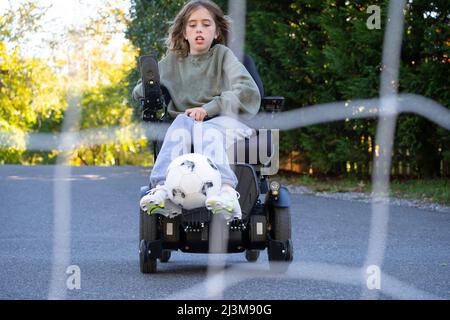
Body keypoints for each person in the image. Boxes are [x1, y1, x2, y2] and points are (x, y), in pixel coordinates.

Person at [133, 0, 261, 220]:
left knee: (204, 129)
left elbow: (247, 90)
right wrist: (151, 90)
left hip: (227, 122)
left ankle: (227, 192)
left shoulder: (222, 56)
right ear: (184, 32)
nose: (199, 29)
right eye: (192, 25)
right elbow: (139, 89)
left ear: (217, 32)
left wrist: (208, 108)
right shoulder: (173, 61)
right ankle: (163, 190)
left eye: (206, 24)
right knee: (180, 123)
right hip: (189, 124)